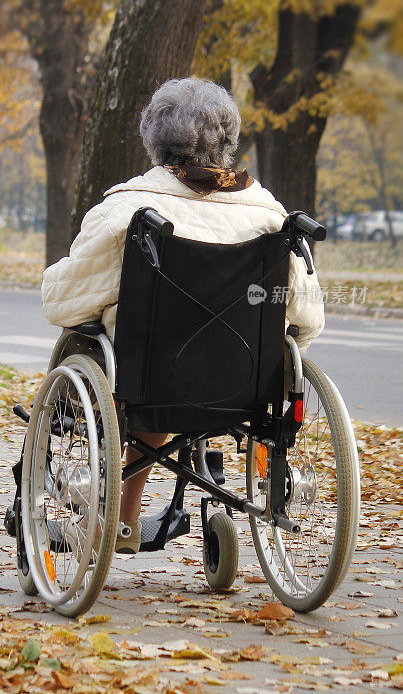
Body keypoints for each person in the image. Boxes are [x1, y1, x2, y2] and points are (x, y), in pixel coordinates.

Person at [42, 78, 324, 553]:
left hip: (149, 383)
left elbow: (65, 303)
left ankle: (116, 520)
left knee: (132, 365)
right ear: (228, 141)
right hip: (246, 385)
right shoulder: (271, 217)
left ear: (153, 140)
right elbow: (307, 318)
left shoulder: (127, 212)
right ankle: (199, 512)